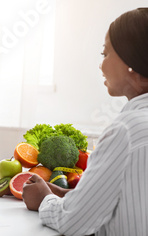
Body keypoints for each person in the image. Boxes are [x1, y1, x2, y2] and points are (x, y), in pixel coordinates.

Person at [22, 8, 148, 236]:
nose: (101, 65)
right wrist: (66, 196)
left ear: (132, 63)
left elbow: (73, 223)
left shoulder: (126, 131)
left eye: (105, 53)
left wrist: (45, 199)